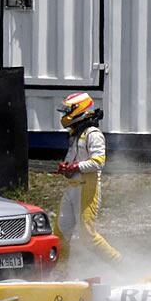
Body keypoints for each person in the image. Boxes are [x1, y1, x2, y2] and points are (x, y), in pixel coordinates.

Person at [54, 92, 122, 267]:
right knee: (59, 234)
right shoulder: (75, 135)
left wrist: (75, 167)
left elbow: (99, 162)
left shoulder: (94, 134)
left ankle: (121, 264)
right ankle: (61, 274)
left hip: (88, 187)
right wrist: (66, 169)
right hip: (72, 187)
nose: (64, 116)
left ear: (80, 110)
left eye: (68, 111)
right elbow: (72, 162)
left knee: (87, 237)